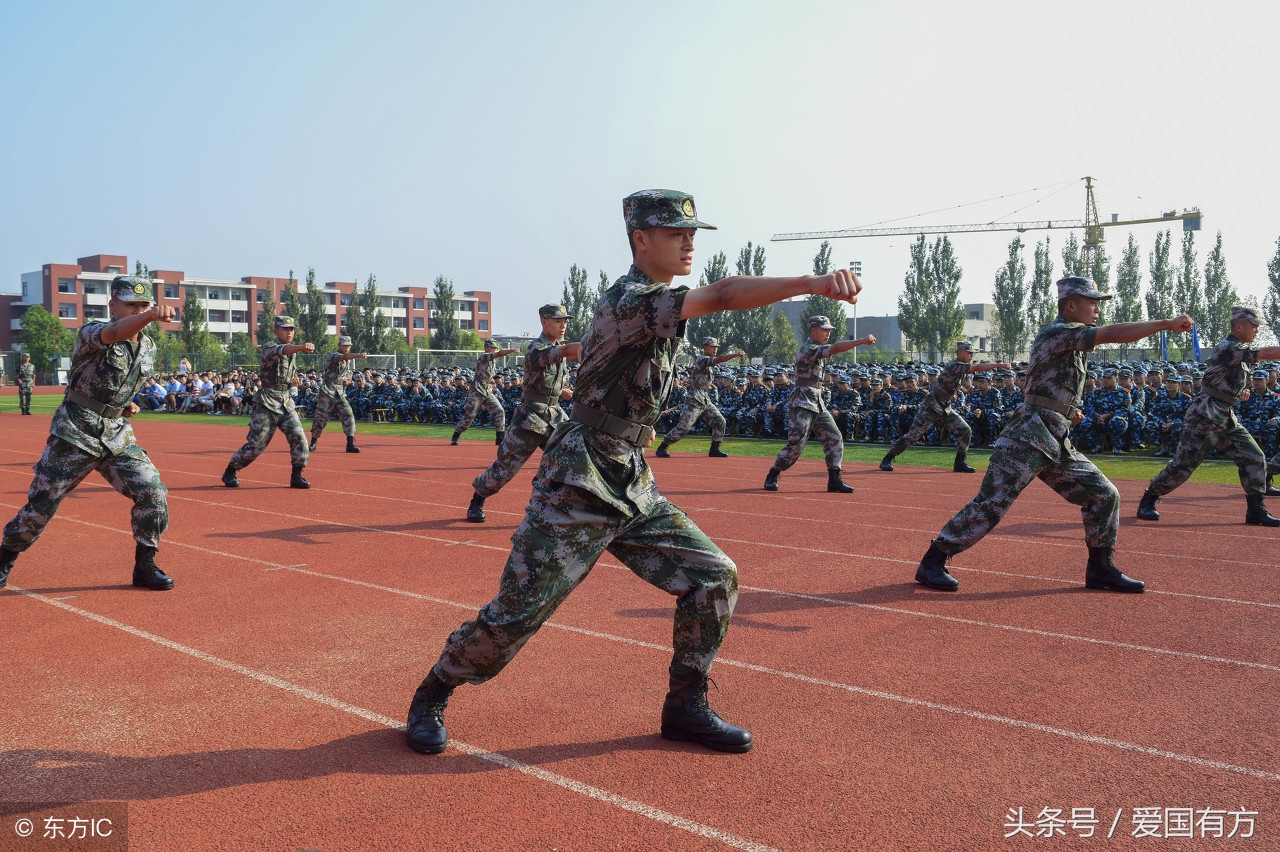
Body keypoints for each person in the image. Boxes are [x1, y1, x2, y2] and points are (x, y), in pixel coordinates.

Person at [404, 189, 861, 756]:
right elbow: (722, 293)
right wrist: (811, 284)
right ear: (640, 240)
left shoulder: (661, 302)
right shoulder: (630, 299)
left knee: (713, 576)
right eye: (676, 233)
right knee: (516, 616)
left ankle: (684, 707)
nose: (689, 242)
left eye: (693, 233)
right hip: (578, 480)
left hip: (629, 477)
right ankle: (433, 692)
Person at [914, 277, 1192, 594]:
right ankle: (933, 560)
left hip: (1055, 437)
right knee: (992, 503)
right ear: (1071, 305)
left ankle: (1101, 569)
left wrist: (1067, 409)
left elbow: (1044, 383)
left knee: (1103, 495)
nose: (1098, 308)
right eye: (1092, 302)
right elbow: (1112, 335)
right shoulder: (1059, 333)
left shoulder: (1069, 340)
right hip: (1027, 436)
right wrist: (1166, 323)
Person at [0, 276, 178, 591]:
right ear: (113, 305)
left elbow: (116, 385)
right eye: (130, 304)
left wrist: (125, 406)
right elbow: (113, 333)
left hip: (117, 435)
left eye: (144, 305)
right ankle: (5, 557)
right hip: (75, 432)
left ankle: (145, 564)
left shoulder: (147, 346)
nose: (138, 309)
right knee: (42, 504)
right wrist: (150, 316)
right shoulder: (93, 332)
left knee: (153, 491)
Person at [1137, 306, 1280, 526]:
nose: (1257, 330)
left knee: (1253, 457)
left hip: (1225, 414)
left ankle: (1256, 510)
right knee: (1184, 464)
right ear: (1239, 326)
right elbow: (1264, 353)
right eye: (1254, 325)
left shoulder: (1237, 349)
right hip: (1205, 415)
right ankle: (1149, 499)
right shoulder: (1228, 346)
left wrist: (1236, 392)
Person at [465, 304, 582, 522]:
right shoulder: (536, 349)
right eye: (558, 320)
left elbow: (554, 375)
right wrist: (595, 344)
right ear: (544, 321)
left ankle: (552, 505)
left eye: (565, 321)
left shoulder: (560, 347)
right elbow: (564, 352)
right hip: (531, 418)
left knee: (573, 458)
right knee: (505, 468)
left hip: (554, 416)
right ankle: (477, 499)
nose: (563, 324)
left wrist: (562, 392)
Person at [763, 317, 874, 493]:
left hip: (816, 401)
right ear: (813, 330)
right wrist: (860, 341)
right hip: (802, 402)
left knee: (834, 437)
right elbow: (836, 348)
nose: (828, 332)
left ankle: (834, 479)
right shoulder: (808, 349)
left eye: (829, 329)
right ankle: (773, 473)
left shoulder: (816, 349)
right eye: (824, 329)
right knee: (796, 444)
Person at [880, 343, 1008, 472]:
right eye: (969, 353)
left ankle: (959, 463)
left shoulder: (960, 367)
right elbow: (978, 367)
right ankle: (887, 459)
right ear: (960, 353)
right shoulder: (955, 365)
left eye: (972, 353)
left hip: (944, 408)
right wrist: (999, 365)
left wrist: (950, 396)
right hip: (930, 407)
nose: (971, 355)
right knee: (913, 436)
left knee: (965, 430)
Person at [221, 316, 315, 489]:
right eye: (285, 328)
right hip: (267, 403)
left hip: (285, 401)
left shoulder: (292, 353)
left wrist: (293, 382)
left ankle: (297, 475)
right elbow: (282, 350)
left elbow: (284, 375)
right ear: (276, 330)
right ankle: (231, 469)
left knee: (300, 437)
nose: (289, 332)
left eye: (291, 329)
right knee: (255, 446)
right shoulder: (270, 347)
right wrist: (301, 347)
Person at [654, 337, 744, 458]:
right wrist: (736, 355)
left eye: (716, 347)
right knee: (684, 427)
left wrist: (707, 385)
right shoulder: (703, 359)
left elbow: (701, 377)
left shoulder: (708, 362)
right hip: (694, 399)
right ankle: (663, 446)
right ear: (705, 347)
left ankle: (714, 449)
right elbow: (719, 360)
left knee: (720, 421)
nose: (715, 349)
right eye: (713, 346)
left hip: (704, 398)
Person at [450, 340, 521, 445]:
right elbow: (500, 353)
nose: (494, 349)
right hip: (477, 391)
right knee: (470, 415)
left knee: (499, 411)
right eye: (492, 347)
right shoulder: (484, 356)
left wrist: (491, 381)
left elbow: (487, 374)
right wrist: (512, 350)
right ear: (486, 347)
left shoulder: (492, 360)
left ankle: (500, 438)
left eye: (495, 348)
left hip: (487, 390)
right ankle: (456, 435)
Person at [309, 336, 368, 453]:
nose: (347, 347)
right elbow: (343, 357)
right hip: (328, 392)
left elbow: (340, 375)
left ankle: (350, 443)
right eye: (344, 345)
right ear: (339, 346)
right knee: (320, 419)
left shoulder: (348, 360)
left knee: (349, 415)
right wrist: (359, 355)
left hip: (340, 393)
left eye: (348, 345)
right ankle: (313, 442)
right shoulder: (333, 355)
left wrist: (346, 382)